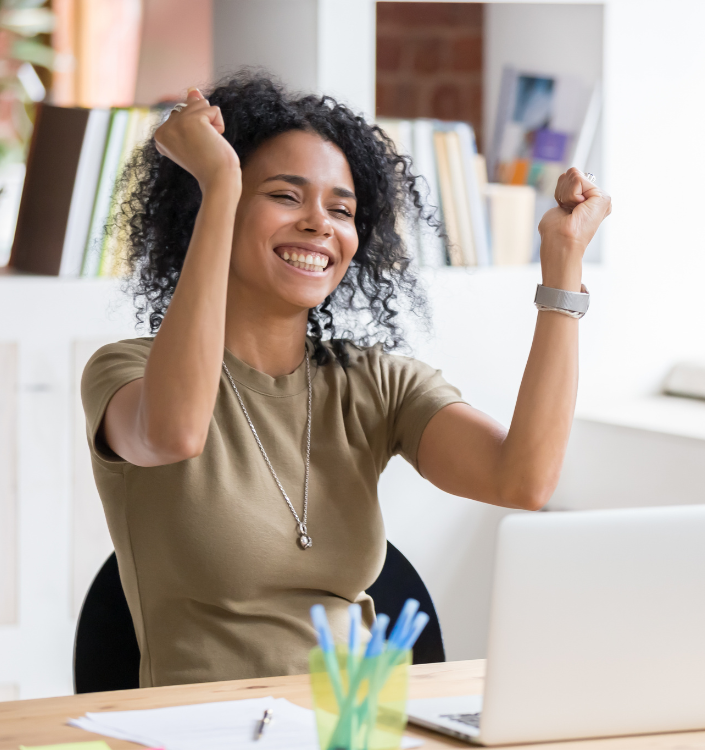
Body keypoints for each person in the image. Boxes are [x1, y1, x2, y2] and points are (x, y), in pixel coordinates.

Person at [81, 73, 611, 689]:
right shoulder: (126, 371)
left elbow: (523, 480)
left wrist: (563, 267)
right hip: (205, 728)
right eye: (285, 196)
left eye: (342, 209)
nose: (319, 224)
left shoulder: (372, 381)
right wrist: (221, 181)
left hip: (355, 723)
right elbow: (174, 433)